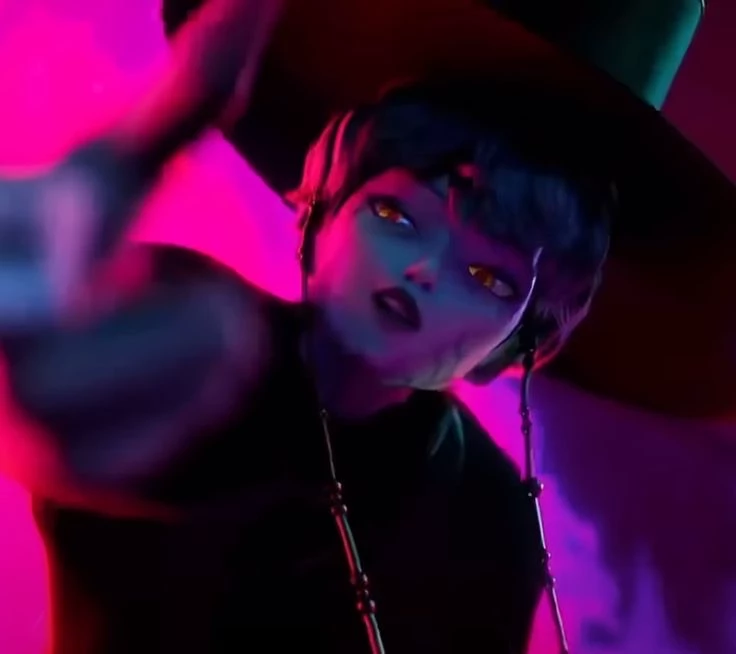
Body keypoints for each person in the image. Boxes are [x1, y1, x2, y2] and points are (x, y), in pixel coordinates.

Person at [0, 1, 734, 653]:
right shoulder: (184, 328)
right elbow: (46, 393)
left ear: (521, 340)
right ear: (324, 207)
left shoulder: (490, 522)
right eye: (396, 215)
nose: (423, 270)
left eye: (487, 277)